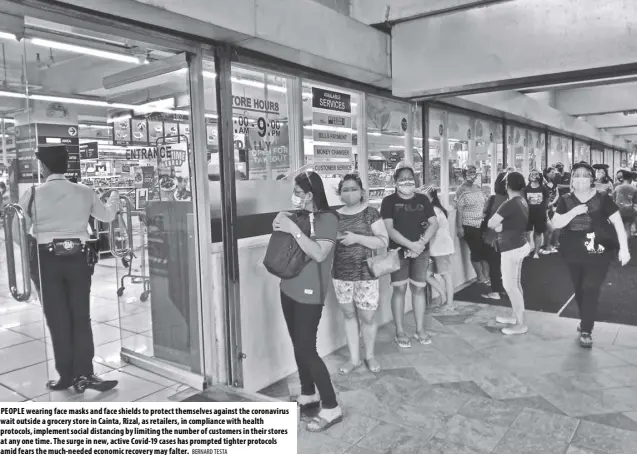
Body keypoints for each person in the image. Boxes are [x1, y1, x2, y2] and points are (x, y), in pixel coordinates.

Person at [15, 145, 120, 393]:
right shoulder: (85, 191)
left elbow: (18, 230)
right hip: (79, 257)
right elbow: (106, 216)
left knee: (57, 319)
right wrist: (114, 196)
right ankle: (85, 373)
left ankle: (65, 376)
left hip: (46, 258)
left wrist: (32, 249)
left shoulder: (32, 193)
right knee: (81, 317)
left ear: (43, 167)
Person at [272, 171, 342, 432]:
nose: (296, 197)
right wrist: (284, 222)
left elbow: (320, 254)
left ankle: (332, 406)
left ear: (311, 194)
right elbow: (281, 233)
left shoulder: (328, 219)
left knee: (306, 349)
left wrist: (293, 229)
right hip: (288, 287)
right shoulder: (298, 217)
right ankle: (308, 392)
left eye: (299, 193)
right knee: (298, 345)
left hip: (310, 293)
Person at [553, 161, 631, 348]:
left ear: (592, 179)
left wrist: (624, 248)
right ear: (572, 179)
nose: (580, 179)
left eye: (585, 175)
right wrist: (573, 212)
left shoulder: (603, 197)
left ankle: (587, 329)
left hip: (599, 251)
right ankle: (584, 318)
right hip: (573, 252)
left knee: (591, 288)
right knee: (580, 289)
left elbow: (618, 223)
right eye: (576, 175)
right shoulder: (566, 199)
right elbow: (556, 223)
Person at [332, 174, 388, 374]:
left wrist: (357, 238)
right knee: (348, 315)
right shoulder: (335, 216)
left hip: (366, 273)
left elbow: (383, 241)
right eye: (345, 189)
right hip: (341, 273)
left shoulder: (371, 213)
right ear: (340, 193)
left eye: (353, 188)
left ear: (362, 191)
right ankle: (354, 359)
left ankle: (369, 356)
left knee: (368, 317)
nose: (349, 193)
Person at [381, 162, 438, 348]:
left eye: (409, 178)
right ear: (395, 181)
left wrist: (420, 245)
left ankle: (420, 329)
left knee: (419, 289)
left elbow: (433, 223)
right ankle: (399, 331)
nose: (406, 182)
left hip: (421, 252)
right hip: (398, 252)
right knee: (399, 290)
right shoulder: (388, 201)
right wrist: (410, 245)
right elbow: (389, 229)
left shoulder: (422, 200)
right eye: (402, 179)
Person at [487, 171, 531, 336]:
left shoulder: (510, 203)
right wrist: (503, 226)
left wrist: (500, 226)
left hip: (512, 248)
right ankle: (515, 315)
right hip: (517, 245)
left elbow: (491, 223)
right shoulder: (521, 201)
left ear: (507, 185)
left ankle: (521, 324)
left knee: (510, 286)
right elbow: (516, 223)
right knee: (516, 284)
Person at [421, 186, 455, 310]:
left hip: (441, 249)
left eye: (425, 198)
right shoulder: (433, 210)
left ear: (431, 199)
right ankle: (444, 297)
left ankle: (449, 304)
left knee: (446, 275)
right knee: (427, 275)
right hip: (435, 249)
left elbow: (431, 230)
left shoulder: (435, 211)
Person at [455, 164, 490, 285]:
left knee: (485, 250)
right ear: (464, 174)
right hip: (469, 225)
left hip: (482, 224)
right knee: (476, 251)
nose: (472, 174)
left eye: (474, 172)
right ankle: (480, 277)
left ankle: (487, 276)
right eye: (469, 172)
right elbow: (459, 209)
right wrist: (459, 227)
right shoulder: (461, 189)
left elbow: (485, 203)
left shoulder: (478, 187)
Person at [481, 172, 508, 301]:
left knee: (494, 266)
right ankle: (504, 289)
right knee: (507, 266)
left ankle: (496, 291)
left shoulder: (492, 199)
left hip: (492, 238)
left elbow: (484, 214)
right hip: (510, 239)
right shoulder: (514, 201)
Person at [522, 170, 551, 258]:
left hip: (540, 213)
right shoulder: (526, 189)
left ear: (539, 176)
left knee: (538, 232)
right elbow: (523, 201)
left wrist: (544, 209)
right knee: (527, 232)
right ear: (529, 177)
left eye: (536, 174)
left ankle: (536, 252)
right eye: (532, 174)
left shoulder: (543, 188)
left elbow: (547, 200)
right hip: (528, 213)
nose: (534, 175)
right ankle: (528, 250)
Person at [613, 169, 637, 242]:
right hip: (629, 211)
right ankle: (626, 246)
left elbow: (613, 199)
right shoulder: (634, 189)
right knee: (627, 227)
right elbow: (635, 202)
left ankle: (619, 245)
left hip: (618, 210)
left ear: (623, 178)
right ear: (630, 179)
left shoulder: (617, 188)